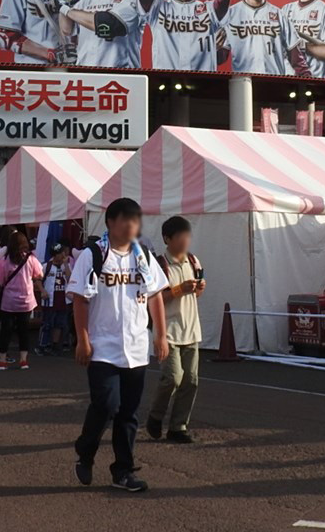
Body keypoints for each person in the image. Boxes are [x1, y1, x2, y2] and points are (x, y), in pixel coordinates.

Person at [69, 197, 170, 493]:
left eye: (135, 220)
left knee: (128, 412)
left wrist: (160, 335)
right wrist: (82, 339)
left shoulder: (144, 256)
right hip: (102, 345)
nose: (131, 226)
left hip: (136, 347)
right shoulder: (93, 255)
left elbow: (155, 295)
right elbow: (80, 298)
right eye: (125, 220)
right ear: (111, 222)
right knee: (106, 404)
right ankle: (85, 450)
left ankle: (123, 471)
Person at [148, 216, 206, 441]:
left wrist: (199, 288)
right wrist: (179, 289)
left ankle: (178, 427)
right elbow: (154, 298)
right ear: (167, 239)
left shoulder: (193, 260)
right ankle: (156, 416)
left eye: (188, 236)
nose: (185, 241)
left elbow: (196, 295)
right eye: (180, 237)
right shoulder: (159, 264)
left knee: (191, 380)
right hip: (168, 330)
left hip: (190, 329)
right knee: (173, 377)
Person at [220, 0, 287, 75]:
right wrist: (213, 49)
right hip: (243, 81)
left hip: (275, 80)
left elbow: (295, 54)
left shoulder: (279, 14)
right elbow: (221, 56)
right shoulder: (231, 14)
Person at [0, 232, 43, 370]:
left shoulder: (5, 261)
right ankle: (23, 360)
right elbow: (39, 273)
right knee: (23, 331)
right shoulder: (31, 259)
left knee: (6, 331)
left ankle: (2, 361)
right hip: (26, 300)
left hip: (9, 301)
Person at [36, 243, 72, 355]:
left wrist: (66, 264)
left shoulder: (66, 266)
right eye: (60, 253)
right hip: (49, 300)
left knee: (59, 324)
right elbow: (38, 280)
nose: (63, 255)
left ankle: (55, 345)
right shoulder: (46, 266)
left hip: (63, 299)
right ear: (55, 255)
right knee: (47, 323)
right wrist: (42, 291)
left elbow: (70, 279)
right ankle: (42, 345)